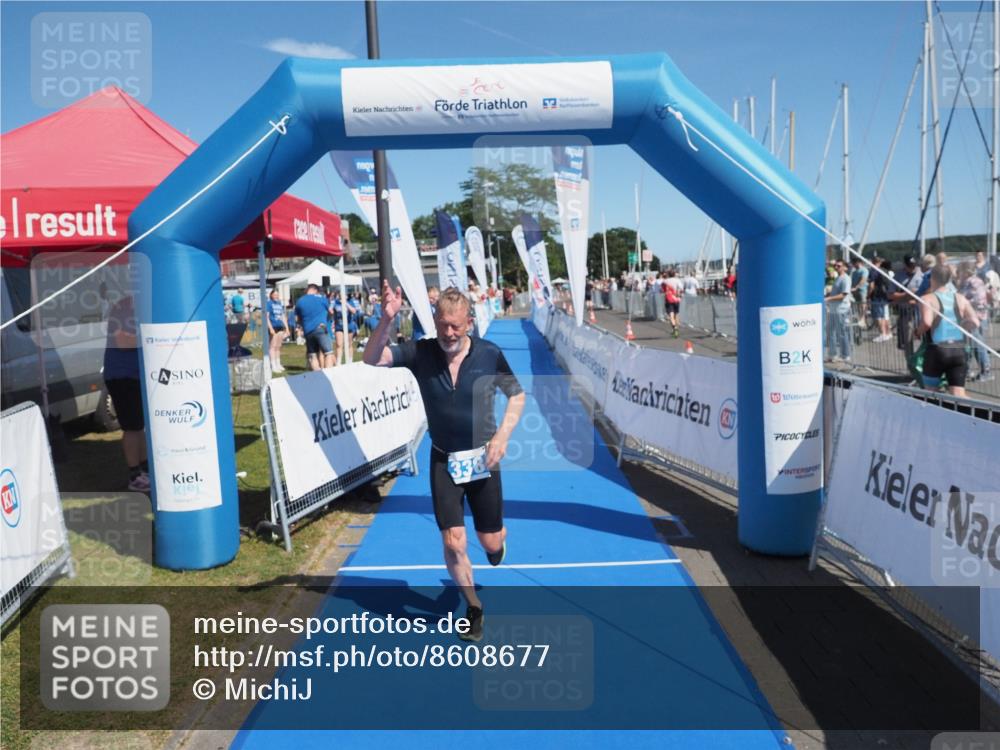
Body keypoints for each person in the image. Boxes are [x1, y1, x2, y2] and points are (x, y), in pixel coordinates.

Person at [363, 282, 526, 642]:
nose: (448, 333)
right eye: (442, 325)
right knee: (454, 542)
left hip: (482, 460)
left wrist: (501, 437)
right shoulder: (421, 352)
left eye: (455, 326)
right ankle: (473, 607)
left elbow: (517, 396)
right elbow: (371, 358)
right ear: (435, 321)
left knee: (489, 542)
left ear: (469, 321)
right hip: (443, 462)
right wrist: (386, 319)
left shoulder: (488, 353)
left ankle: (498, 541)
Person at [103, 295, 149, 492]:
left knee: (139, 426)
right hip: (122, 376)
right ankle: (135, 476)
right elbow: (122, 341)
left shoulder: (138, 306)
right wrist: (151, 338)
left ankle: (145, 470)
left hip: (134, 375)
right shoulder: (123, 308)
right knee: (132, 426)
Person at [916, 264, 979, 398]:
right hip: (958, 349)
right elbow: (975, 321)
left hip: (937, 350)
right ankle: (976, 416)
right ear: (949, 279)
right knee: (958, 393)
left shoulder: (927, 299)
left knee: (930, 392)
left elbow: (926, 323)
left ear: (932, 278)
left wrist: (917, 332)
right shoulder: (960, 298)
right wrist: (962, 326)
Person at [957, 261, 993, 383]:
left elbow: (975, 300)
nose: (959, 273)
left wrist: (962, 303)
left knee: (978, 345)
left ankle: (986, 371)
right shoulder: (969, 282)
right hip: (973, 317)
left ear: (966, 271)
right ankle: (967, 370)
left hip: (975, 317)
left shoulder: (973, 282)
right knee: (971, 346)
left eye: (961, 270)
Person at [890, 254, 924, 354]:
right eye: (910, 266)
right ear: (905, 265)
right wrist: (906, 295)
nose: (912, 268)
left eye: (914, 265)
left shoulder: (923, 274)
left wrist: (916, 297)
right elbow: (891, 294)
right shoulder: (898, 276)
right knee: (906, 336)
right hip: (905, 310)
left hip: (920, 310)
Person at [294, 284, 334, 370]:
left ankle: (318, 377)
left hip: (308, 331)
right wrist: (327, 320)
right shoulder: (322, 299)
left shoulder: (300, 301)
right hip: (321, 328)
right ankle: (329, 376)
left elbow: (297, 319)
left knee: (312, 355)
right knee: (328, 353)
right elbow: (331, 312)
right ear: (316, 290)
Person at [824, 260, 853, 362]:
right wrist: (827, 296)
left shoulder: (846, 278)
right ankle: (833, 355)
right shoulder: (838, 278)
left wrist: (828, 299)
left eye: (839, 265)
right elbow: (835, 294)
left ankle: (845, 355)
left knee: (842, 333)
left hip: (841, 310)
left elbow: (843, 295)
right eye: (835, 265)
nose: (836, 267)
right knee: (830, 332)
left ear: (845, 267)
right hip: (833, 309)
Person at [868, 258, 894, 343]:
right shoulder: (884, 270)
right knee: (885, 316)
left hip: (876, 295)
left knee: (878, 316)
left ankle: (882, 334)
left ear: (873, 262)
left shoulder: (873, 271)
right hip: (884, 295)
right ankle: (888, 333)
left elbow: (871, 286)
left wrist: (868, 295)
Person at [331, 292, 360, 366]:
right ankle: (338, 362)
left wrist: (345, 303)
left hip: (349, 326)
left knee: (349, 344)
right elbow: (332, 312)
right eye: (340, 294)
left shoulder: (350, 302)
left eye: (344, 294)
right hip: (339, 326)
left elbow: (354, 311)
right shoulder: (336, 302)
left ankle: (350, 361)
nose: (342, 296)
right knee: (339, 344)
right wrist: (333, 323)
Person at [266, 290, 288, 373]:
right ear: (271, 295)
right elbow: (266, 317)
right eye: (274, 294)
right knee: (273, 346)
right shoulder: (269, 303)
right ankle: (273, 365)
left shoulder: (279, 304)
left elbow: (283, 316)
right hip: (273, 326)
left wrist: (287, 328)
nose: (276, 296)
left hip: (280, 326)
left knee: (278, 346)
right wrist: (270, 328)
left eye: (277, 295)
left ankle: (278, 363)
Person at [664, 269, 684, 338]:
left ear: (668, 274)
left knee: (671, 316)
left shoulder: (665, 281)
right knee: (676, 315)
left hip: (669, 299)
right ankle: (676, 330)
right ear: (674, 274)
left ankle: (674, 328)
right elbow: (681, 288)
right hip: (676, 299)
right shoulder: (677, 280)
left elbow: (662, 290)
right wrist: (679, 295)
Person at [850, 257, 869, 328]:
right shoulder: (854, 272)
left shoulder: (864, 270)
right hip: (855, 291)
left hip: (862, 290)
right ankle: (860, 318)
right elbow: (852, 281)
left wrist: (856, 287)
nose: (853, 264)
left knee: (863, 304)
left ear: (858, 262)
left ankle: (863, 319)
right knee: (858, 305)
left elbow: (863, 280)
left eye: (853, 263)